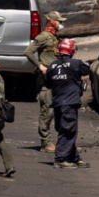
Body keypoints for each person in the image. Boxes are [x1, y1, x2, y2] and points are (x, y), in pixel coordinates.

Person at [46, 38, 90, 169]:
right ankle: (60, 158)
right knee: (68, 130)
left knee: (64, 129)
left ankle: (73, 157)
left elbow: (48, 83)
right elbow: (87, 69)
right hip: (69, 103)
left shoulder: (52, 66)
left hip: (58, 103)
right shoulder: (76, 64)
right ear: (72, 50)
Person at [25, 11, 66, 152]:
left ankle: (64, 143)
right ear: (53, 22)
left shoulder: (54, 37)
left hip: (57, 80)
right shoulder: (43, 37)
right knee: (47, 111)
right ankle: (46, 143)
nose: (61, 24)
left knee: (59, 111)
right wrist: (40, 65)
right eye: (59, 21)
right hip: (46, 81)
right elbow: (28, 52)